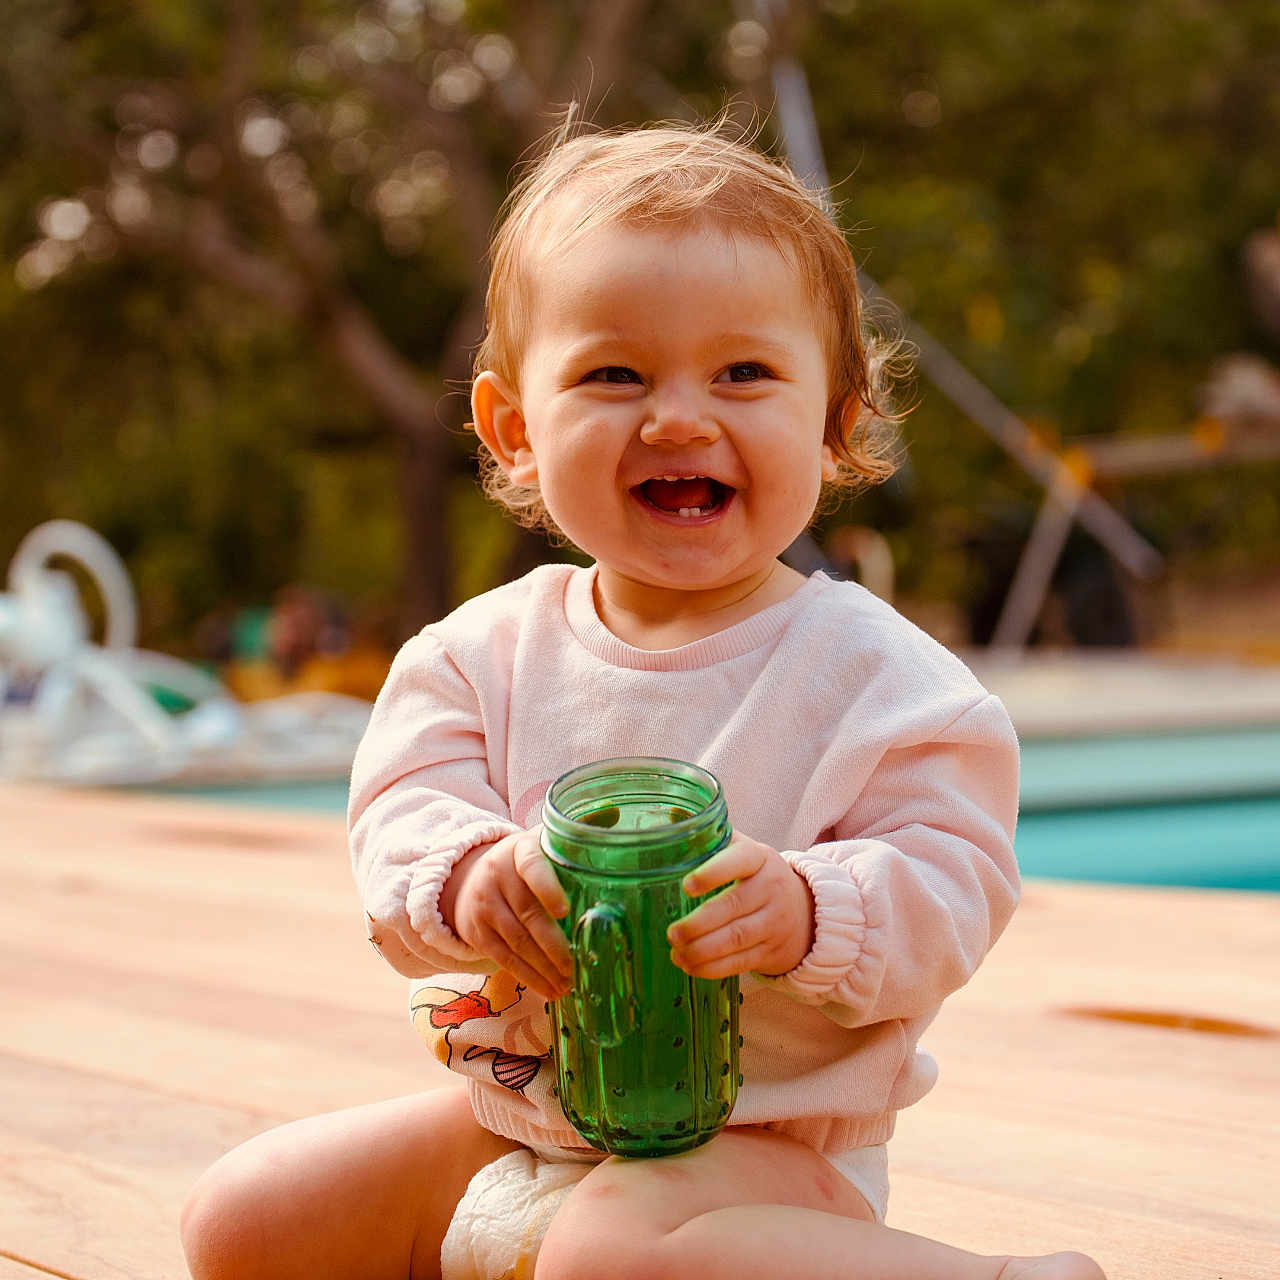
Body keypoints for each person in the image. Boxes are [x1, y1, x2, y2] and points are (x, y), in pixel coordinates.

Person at [180, 121, 1106, 1280]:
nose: (675, 417)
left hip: (754, 1156)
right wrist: (468, 877)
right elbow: (398, 821)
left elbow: (956, 886)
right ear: (515, 428)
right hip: (516, 1119)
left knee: (605, 1256)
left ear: (834, 417)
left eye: (742, 373)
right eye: (614, 373)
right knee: (243, 1216)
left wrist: (809, 909)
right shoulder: (477, 653)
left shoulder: (880, 679)